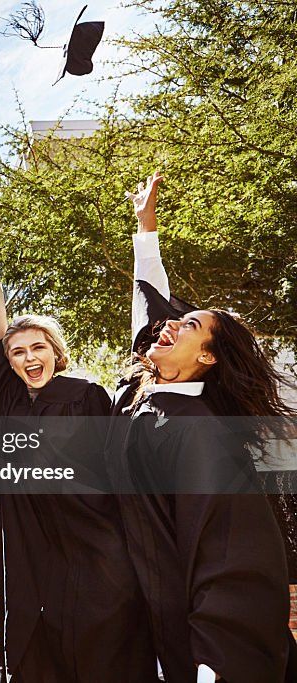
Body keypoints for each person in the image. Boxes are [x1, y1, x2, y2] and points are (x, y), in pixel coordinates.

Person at [0, 223, 157, 682]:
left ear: (56, 353)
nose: (28, 357)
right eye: (18, 352)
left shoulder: (85, 393)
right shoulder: (6, 400)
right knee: (33, 627)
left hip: (88, 526)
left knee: (99, 627)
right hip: (28, 530)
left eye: (38, 347)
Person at [107, 172, 291, 682]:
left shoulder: (204, 434)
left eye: (187, 326)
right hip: (140, 623)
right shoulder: (141, 396)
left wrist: (217, 662)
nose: (168, 326)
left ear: (207, 356)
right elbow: (150, 310)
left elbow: (232, 556)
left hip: (199, 648)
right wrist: (146, 229)